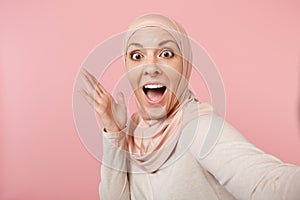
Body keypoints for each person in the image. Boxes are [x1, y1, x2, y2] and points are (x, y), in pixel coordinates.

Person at [79, 14, 300, 200]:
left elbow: (265, 184)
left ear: (185, 66)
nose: (151, 67)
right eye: (137, 56)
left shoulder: (199, 128)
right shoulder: (135, 135)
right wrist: (115, 135)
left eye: (166, 54)